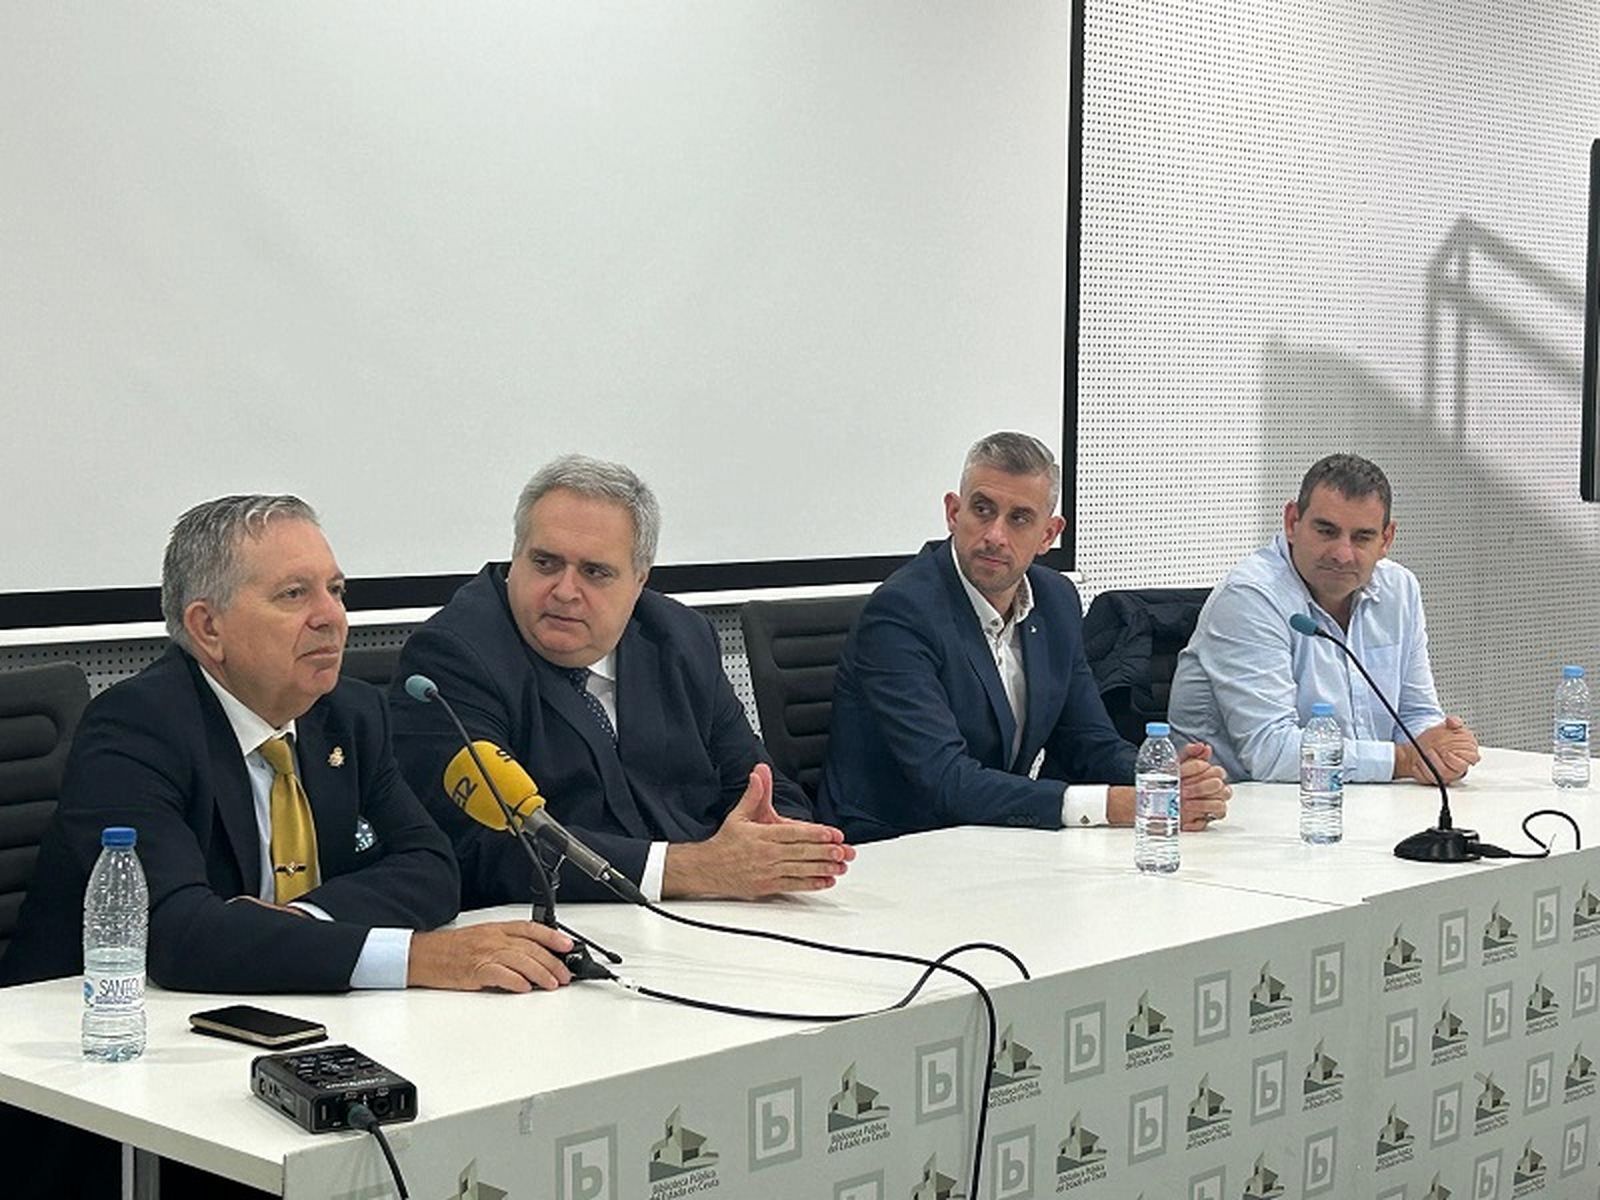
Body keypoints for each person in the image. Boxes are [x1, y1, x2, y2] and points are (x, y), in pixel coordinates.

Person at [2, 495, 579, 996]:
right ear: (208, 628)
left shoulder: (350, 715)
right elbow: (176, 934)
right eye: (294, 595)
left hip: (282, 1009)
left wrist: (305, 919)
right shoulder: (135, 727)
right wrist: (418, 959)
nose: (332, 618)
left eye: (336, 591)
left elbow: (430, 867)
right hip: (88, 1058)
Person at [391, 455, 853, 906]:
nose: (566, 591)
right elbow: (481, 848)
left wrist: (776, 844)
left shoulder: (681, 638)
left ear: (639, 580)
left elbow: (762, 784)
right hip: (557, 928)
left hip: (709, 915)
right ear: (515, 557)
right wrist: (691, 870)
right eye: (546, 563)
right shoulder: (452, 657)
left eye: (595, 572)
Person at [819, 432, 1230, 842]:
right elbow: (946, 779)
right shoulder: (901, 613)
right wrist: (1117, 805)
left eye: (1019, 518)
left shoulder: (1056, 600)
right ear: (953, 512)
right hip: (893, 848)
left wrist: (1161, 776)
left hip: (993, 839)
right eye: (982, 510)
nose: (995, 535)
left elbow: (1088, 741)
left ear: (1049, 535)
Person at [1168, 453, 1480, 783]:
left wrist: (1442, 749)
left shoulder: (1399, 590)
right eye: (1326, 531)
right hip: (1243, 813)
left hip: (1359, 800)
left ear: (1386, 539)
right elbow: (1271, 751)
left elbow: (1415, 714)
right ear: (1292, 522)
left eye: (1362, 537)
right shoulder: (1250, 597)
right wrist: (1404, 759)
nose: (1343, 554)